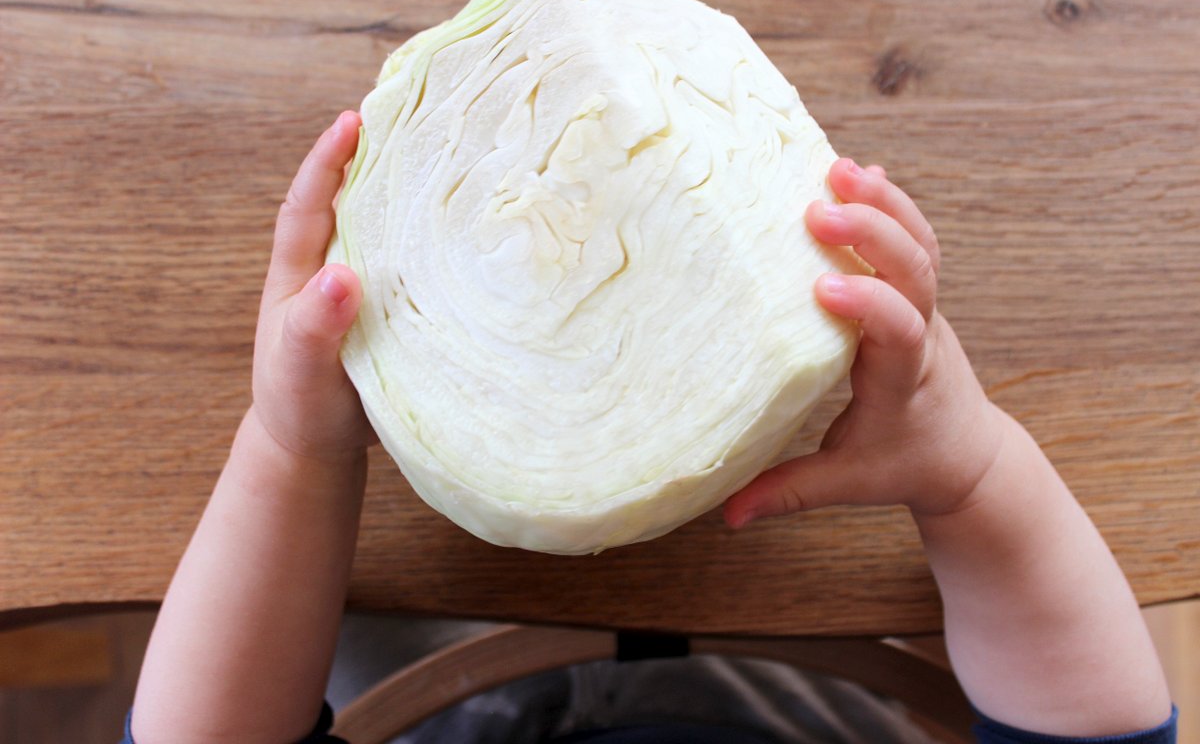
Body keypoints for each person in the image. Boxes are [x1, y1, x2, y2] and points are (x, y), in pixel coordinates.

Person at [122, 111, 1178, 743]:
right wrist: (972, 473)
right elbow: (1098, 723)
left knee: (372, 592)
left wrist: (294, 451)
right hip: (789, 695)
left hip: (440, 703)